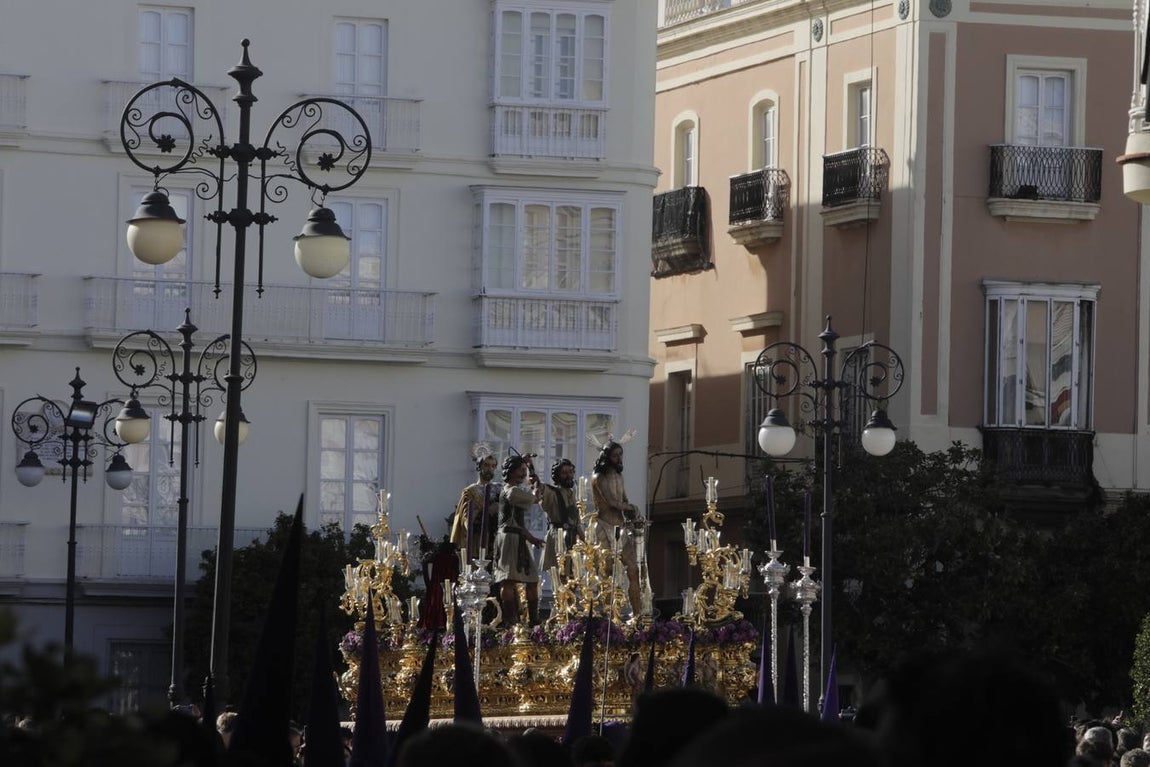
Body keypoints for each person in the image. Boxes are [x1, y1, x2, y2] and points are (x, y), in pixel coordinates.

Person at [591, 441, 643, 615]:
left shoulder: (619, 476)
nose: (619, 458)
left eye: (620, 454)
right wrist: (631, 507)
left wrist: (632, 513)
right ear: (606, 457)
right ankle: (608, 615)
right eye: (615, 455)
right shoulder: (598, 477)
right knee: (607, 573)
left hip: (620, 527)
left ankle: (638, 615)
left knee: (634, 569)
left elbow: (623, 499)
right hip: (604, 527)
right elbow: (611, 502)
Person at [493, 453, 544, 625]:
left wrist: (532, 539)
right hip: (508, 540)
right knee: (508, 580)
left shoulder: (513, 491)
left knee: (532, 579)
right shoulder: (511, 491)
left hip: (517, 537)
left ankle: (533, 619)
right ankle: (511, 620)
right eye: (520, 470)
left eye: (524, 470)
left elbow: (518, 523)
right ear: (511, 471)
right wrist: (534, 482)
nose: (523, 474)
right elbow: (536, 498)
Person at [451, 451, 500, 564]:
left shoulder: (499, 489)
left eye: (493, 466)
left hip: (496, 542)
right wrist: (487, 510)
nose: (490, 469)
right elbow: (467, 520)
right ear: (479, 467)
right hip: (477, 542)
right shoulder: (470, 491)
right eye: (486, 465)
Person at [538, 458, 582, 582]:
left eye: (571, 472)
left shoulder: (572, 494)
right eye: (564, 473)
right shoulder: (552, 493)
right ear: (557, 475)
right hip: (558, 537)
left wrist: (586, 542)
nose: (568, 475)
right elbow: (541, 492)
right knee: (561, 578)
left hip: (573, 538)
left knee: (574, 578)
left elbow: (577, 522)